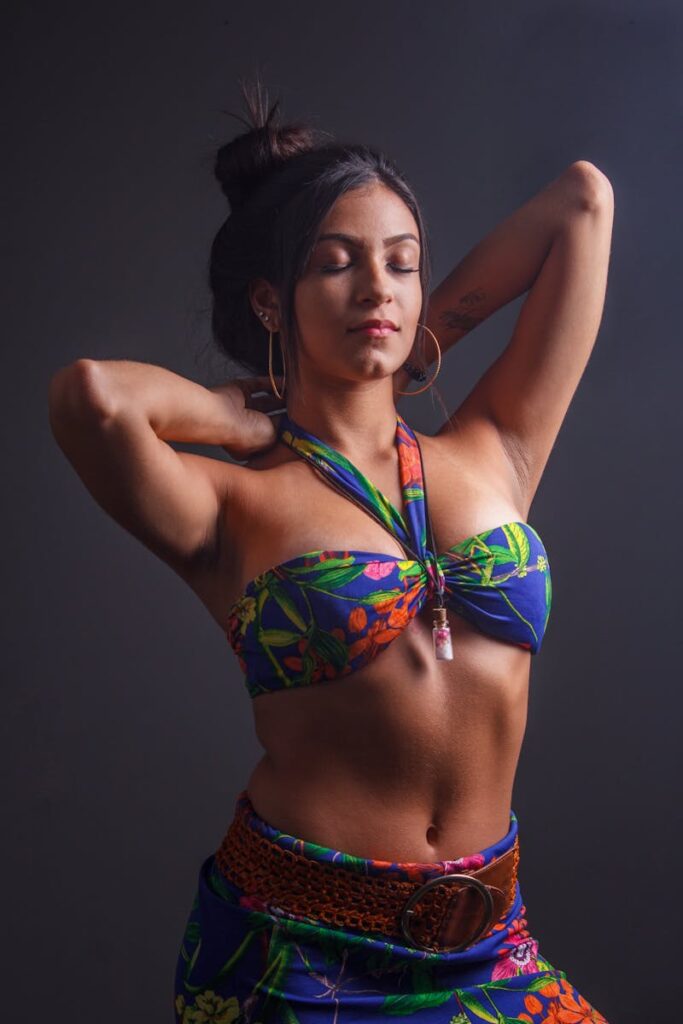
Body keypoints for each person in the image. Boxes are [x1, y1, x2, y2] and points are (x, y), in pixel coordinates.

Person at [48, 79, 614, 1023]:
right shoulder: (233, 503)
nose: (375, 290)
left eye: (400, 264)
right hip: (296, 947)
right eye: (335, 265)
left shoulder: (494, 450)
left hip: (489, 940)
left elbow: (582, 201)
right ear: (272, 300)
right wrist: (235, 414)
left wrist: (422, 342)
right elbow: (90, 397)